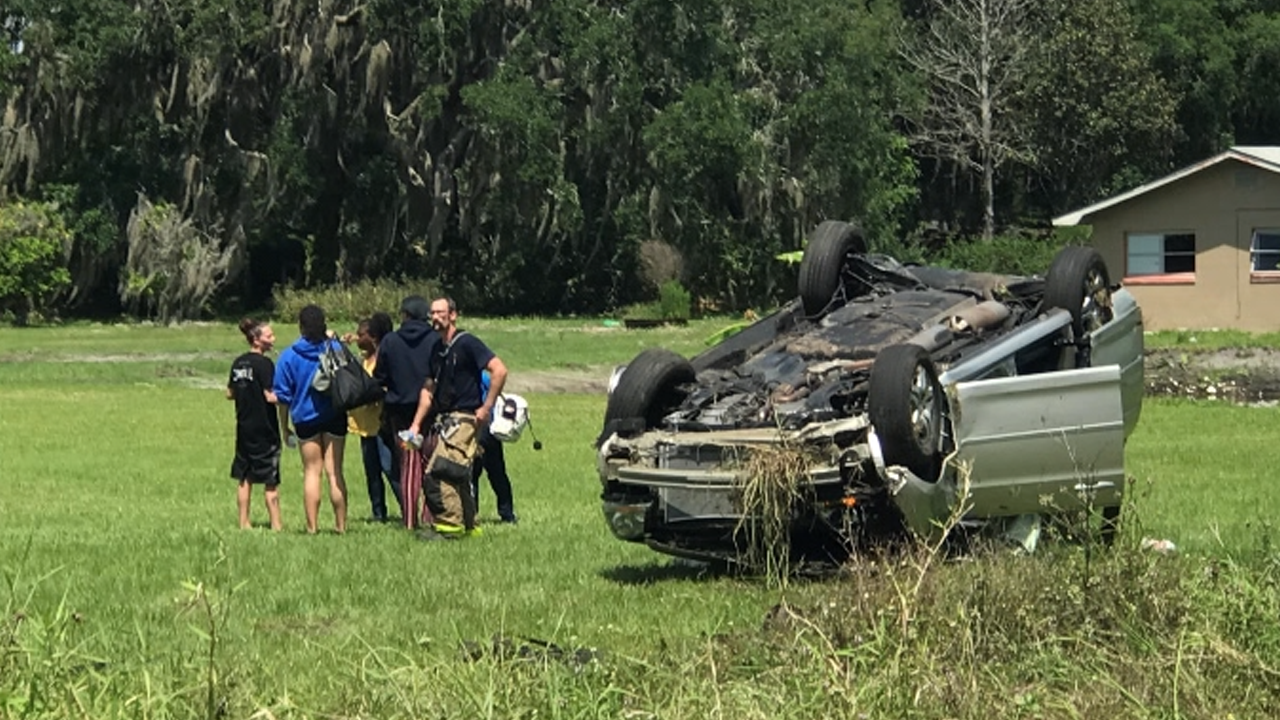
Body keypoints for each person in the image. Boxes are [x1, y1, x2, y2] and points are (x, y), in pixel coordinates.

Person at [408, 297, 508, 539]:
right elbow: (428, 389)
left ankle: (449, 526)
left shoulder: (468, 343)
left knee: (439, 472)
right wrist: (416, 425)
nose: (435, 317)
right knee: (459, 474)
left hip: (464, 418)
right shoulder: (436, 349)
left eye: (440, 312)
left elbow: (499, 370)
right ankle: (470, 526)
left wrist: (486, 407)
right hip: (446, 419)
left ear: (453, 315)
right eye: (432, 313)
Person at [273, 304, 350, 534]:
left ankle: (312, 527)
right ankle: (341, 526)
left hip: (304, 418)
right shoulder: (334, 348)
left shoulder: (288, 356)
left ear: (301, 326)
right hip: (335, 415)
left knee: (311, 471)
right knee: (335, 471)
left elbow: (283, 397)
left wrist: (284, 426)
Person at [373, 296, 440, 528]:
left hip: (399, 412)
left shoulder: (391, 341)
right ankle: (430, 516)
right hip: (430, 410)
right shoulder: (435, 340)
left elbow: (380, 376)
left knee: (409, 465)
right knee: (430, 463)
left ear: (405, 315)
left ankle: (410, 519)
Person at [226, 317, 285, 530]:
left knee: (244, 476)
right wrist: (291, 396)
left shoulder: (238, 363)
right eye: (269, 336)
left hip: (243, 426)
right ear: (256, 340)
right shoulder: (265, 364)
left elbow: (229, 393)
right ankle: (276, 524)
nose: (273, 339)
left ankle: (244, 522)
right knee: (270, 478)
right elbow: (270, 396)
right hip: (265, 428)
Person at [345, 312, 402, 522]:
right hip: (363, 425)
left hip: (381, 424)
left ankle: (408, 510)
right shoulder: (362, 360)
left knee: (390, 469)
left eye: (362, 335)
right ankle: (379, 514)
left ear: (374, 337)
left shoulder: (384, 359)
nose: (357, 338)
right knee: (372, 473)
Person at [472, 369, 517, 524]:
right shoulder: (483, 375)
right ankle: (507, 514)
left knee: (474, 473)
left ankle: (473, 513)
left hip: (478, 426)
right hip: (487, 425)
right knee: (497, 473)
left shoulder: (474, 375)